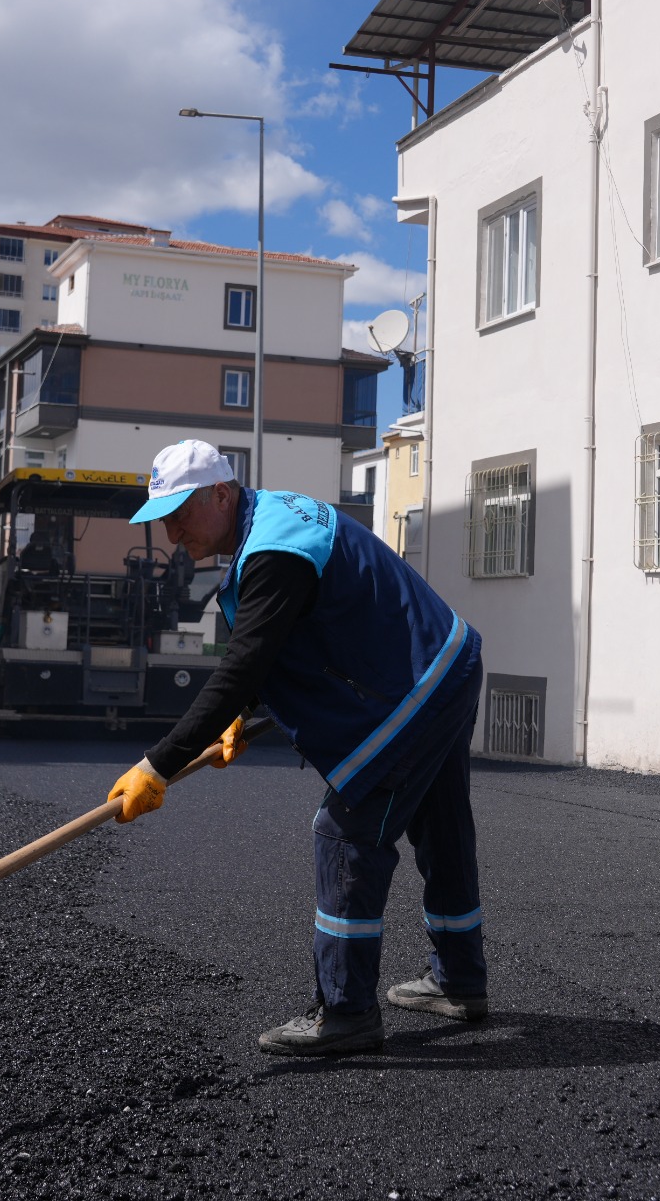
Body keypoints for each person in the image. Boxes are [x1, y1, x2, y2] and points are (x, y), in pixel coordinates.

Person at [108, 439, 487, 1056]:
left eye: (179, 513)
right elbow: (283, 643)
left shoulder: (274, 551)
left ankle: (345, 1012)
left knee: (345, 833)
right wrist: (245, 712)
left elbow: (243, 664)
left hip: (416, 683)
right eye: (162, 520)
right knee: (441, 827)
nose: (172, 532)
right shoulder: (272, 522)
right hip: (447, 658)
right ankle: (460, 981)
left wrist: (159, 764)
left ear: (221, 495)